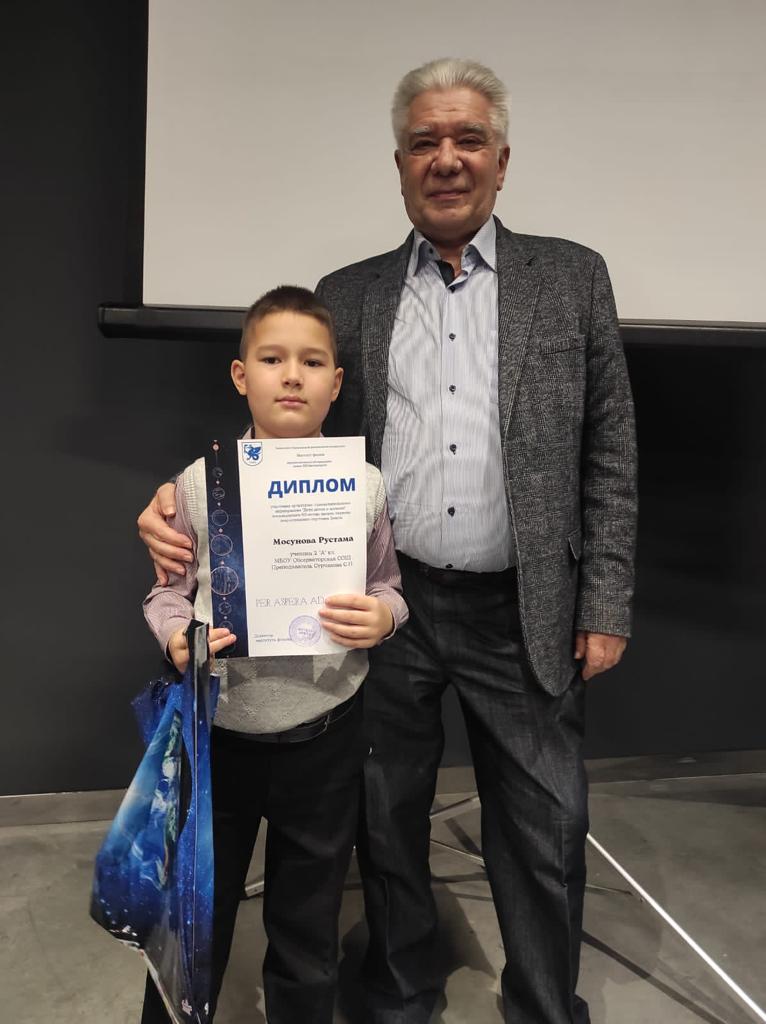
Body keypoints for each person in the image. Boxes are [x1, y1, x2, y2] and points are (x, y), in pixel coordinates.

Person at [138, 59, 637, 1024]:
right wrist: (175, 500)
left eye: (468, 140)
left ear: (501, 160)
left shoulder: (572, 278)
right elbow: (291, 442)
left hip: (523, 606)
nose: (446, 159)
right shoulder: (351, 292)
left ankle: (544, 1007)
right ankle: (400, 997)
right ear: (400, 163)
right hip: (376, 609)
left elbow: (610, 446)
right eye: (424, 143)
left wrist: (606, 599)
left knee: (545, 828)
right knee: (386, 823)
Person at [139, 285, 408, 1024]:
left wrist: (382, 617)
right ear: (240, 374)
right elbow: (165, 594)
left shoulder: (364, 486)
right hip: (218, 736)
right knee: (193, 918)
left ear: (336, 383)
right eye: (272, 359)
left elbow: (389, 586)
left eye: (312, 362)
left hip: (325, 738)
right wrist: (177, 638)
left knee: (308, 920)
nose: (292, 375)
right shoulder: (198, 486)